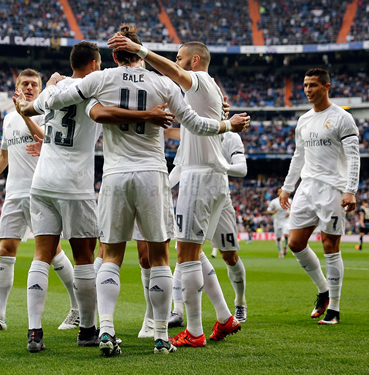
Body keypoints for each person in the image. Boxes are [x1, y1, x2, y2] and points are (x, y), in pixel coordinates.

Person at [46, 25, 248, 355]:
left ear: (113, 56)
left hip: (114, 176)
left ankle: (107, 331)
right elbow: (196, 124)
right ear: (142, 54)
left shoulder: (102, 79)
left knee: (110, 255)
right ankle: (159, 336)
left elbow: (59, 100)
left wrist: (49, 90)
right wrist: (228, 124)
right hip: (153, 175)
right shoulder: (163, 83)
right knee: (159, 258)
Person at [16, 41, 174, 353]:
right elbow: (103, 114)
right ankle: (88, 329)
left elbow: (29, 108)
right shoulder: (89, 90)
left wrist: (43, 90)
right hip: (75, 184)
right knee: (86, 257)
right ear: (93, 64)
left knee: (41, 254)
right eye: (99, 64)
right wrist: (148, 115)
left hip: (42, 180)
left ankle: (34, 332)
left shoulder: (52, 90)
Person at [107, 35, 249, 346]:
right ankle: (225, 317)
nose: (176, 61)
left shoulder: (196, 79)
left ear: (194, 61)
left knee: (184, 256)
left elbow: (174, 73)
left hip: (200, 178)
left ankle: (195, 333)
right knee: (195, 254)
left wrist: (140, 50)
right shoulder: (207, 88)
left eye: (180, 57)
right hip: (210, 178)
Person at [0, 69, 79, 333]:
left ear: (41, 89)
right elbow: (3, 156)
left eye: (34, 84)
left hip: (39, 192)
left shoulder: (46, 114)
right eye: (25, 84)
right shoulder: (8, 119)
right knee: (6, 251)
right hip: (14, 194)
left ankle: (77, 310)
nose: (30, 88)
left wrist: (24, 113)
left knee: (52, 252)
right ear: (16, 88)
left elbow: (46, 140)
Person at [279, 68, 360, 325]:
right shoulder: (303, 120)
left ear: (326, 87)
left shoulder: (342, 118)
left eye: (313, 85)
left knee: (329, 247)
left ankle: (334, 309)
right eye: (305, 85)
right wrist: (287, 187)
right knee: (295, 244)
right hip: (307, 187)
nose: (307, 90)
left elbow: (354, 157)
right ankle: (323, 289)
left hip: (332, 189)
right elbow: (298, 156)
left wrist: (350, 190)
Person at [168, 131, 249, 327]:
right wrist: (164, 188)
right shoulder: (192, 135)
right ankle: (177, 310)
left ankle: (240, 301)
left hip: (220, 201)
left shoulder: (230, 137)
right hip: (193, 196)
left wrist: (220, 165)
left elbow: (241, 169)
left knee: (230, 256)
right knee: (184, 249)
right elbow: (180, 167)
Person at [266, 187, 291, 258]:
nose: (280, 192)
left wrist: (290, 213)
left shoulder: (289, 200)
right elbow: (268, 211)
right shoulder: (274, 202)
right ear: (277, 193)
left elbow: (294, 209)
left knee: (286, 235)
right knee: (278, 238)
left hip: (286, 221)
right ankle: (280, 252)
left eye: (282, 191)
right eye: (279, 191)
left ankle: (285, 246)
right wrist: (273, 212)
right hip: (277, 222)